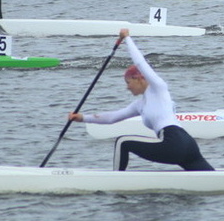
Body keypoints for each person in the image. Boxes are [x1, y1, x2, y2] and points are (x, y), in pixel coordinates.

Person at [68, 29, 214, 171]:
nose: (127, 88)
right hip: (187, 144)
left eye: (128, 82)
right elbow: (112, 117)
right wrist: (82, 118)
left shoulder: (158, 88)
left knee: (122, 142)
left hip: (173, 142)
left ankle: (116, 180)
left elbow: (140, 63)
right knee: (211, 179)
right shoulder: (140, 105)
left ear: (138, 78)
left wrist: (127, 39)